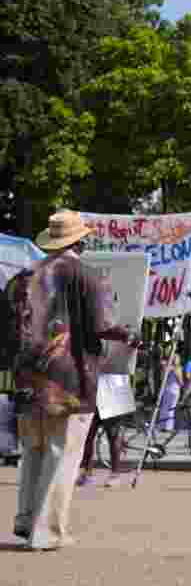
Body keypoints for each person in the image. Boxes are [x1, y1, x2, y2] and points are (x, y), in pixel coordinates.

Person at [6, 210, 137, 550]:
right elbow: (104, 323)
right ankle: (45, 531)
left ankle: (24, 519)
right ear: (81, 240)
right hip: (69, 380)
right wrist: (131, 335)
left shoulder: (20, 279)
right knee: (60, 453)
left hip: (25, 381)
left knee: (32, 452)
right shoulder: (89, 276)